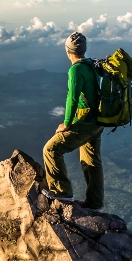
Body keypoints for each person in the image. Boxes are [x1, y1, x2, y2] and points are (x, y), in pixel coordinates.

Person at [42, 32, 104, 212]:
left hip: (84, 122)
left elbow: (72, 98)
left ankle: (62, 193)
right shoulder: (91, 64)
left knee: (51, 149)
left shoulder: (76, 69)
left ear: (68, 51)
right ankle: (95, 203)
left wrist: (66, 124)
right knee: (91, 161)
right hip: (98, 121)